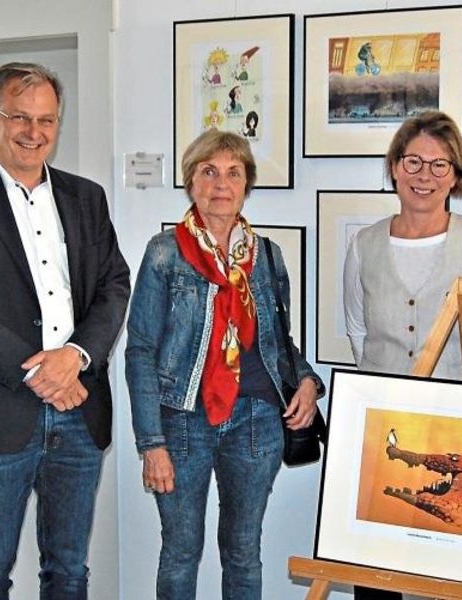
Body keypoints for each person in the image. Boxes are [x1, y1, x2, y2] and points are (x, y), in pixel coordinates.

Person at [0, 62, 131, 598]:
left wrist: (76, 356)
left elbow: (113, 284)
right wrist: (41, 370)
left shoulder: (87, 197)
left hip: (80, 410)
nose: (34, 133)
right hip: (0, 412)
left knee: (68, 571)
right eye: (20, 117)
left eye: (47, 120)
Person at [126, 129, 323, 600]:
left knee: (242, 551)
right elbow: (139, 351)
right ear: (191, 182)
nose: (221, 183)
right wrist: (151, 442)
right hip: (183, 422)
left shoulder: (267, 257)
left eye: (233, 173)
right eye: (208, 171)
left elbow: (280, 344)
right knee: (180, 551)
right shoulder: (165, 253)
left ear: (246, 185)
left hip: (256, 421)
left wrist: (310, 382)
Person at [342, 111, 462, 599]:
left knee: (448, 566)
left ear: (456, 176)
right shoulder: (363, 245)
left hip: (456, 430)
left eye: (440, 165)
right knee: (377, 566)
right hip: (382, 428)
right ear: (394, 168)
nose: (424, 176)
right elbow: (359, 330)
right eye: (413, 161)